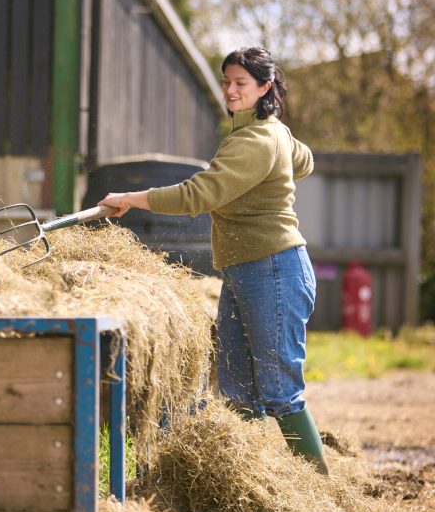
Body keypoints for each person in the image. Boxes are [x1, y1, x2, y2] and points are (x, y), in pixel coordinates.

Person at [97, 46, 328, 475]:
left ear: (264, 87)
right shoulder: (263, 132)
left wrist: (131, 198)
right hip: (245, 269)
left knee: (279, 391)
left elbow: (197, 195)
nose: (230, 90)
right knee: (239, 387)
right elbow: (305, 160)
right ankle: (253, 479)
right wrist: (279, 153)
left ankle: (320, 493)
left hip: (274, 269)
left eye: (241, 83)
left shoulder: (256, 140)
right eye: (227, 81)